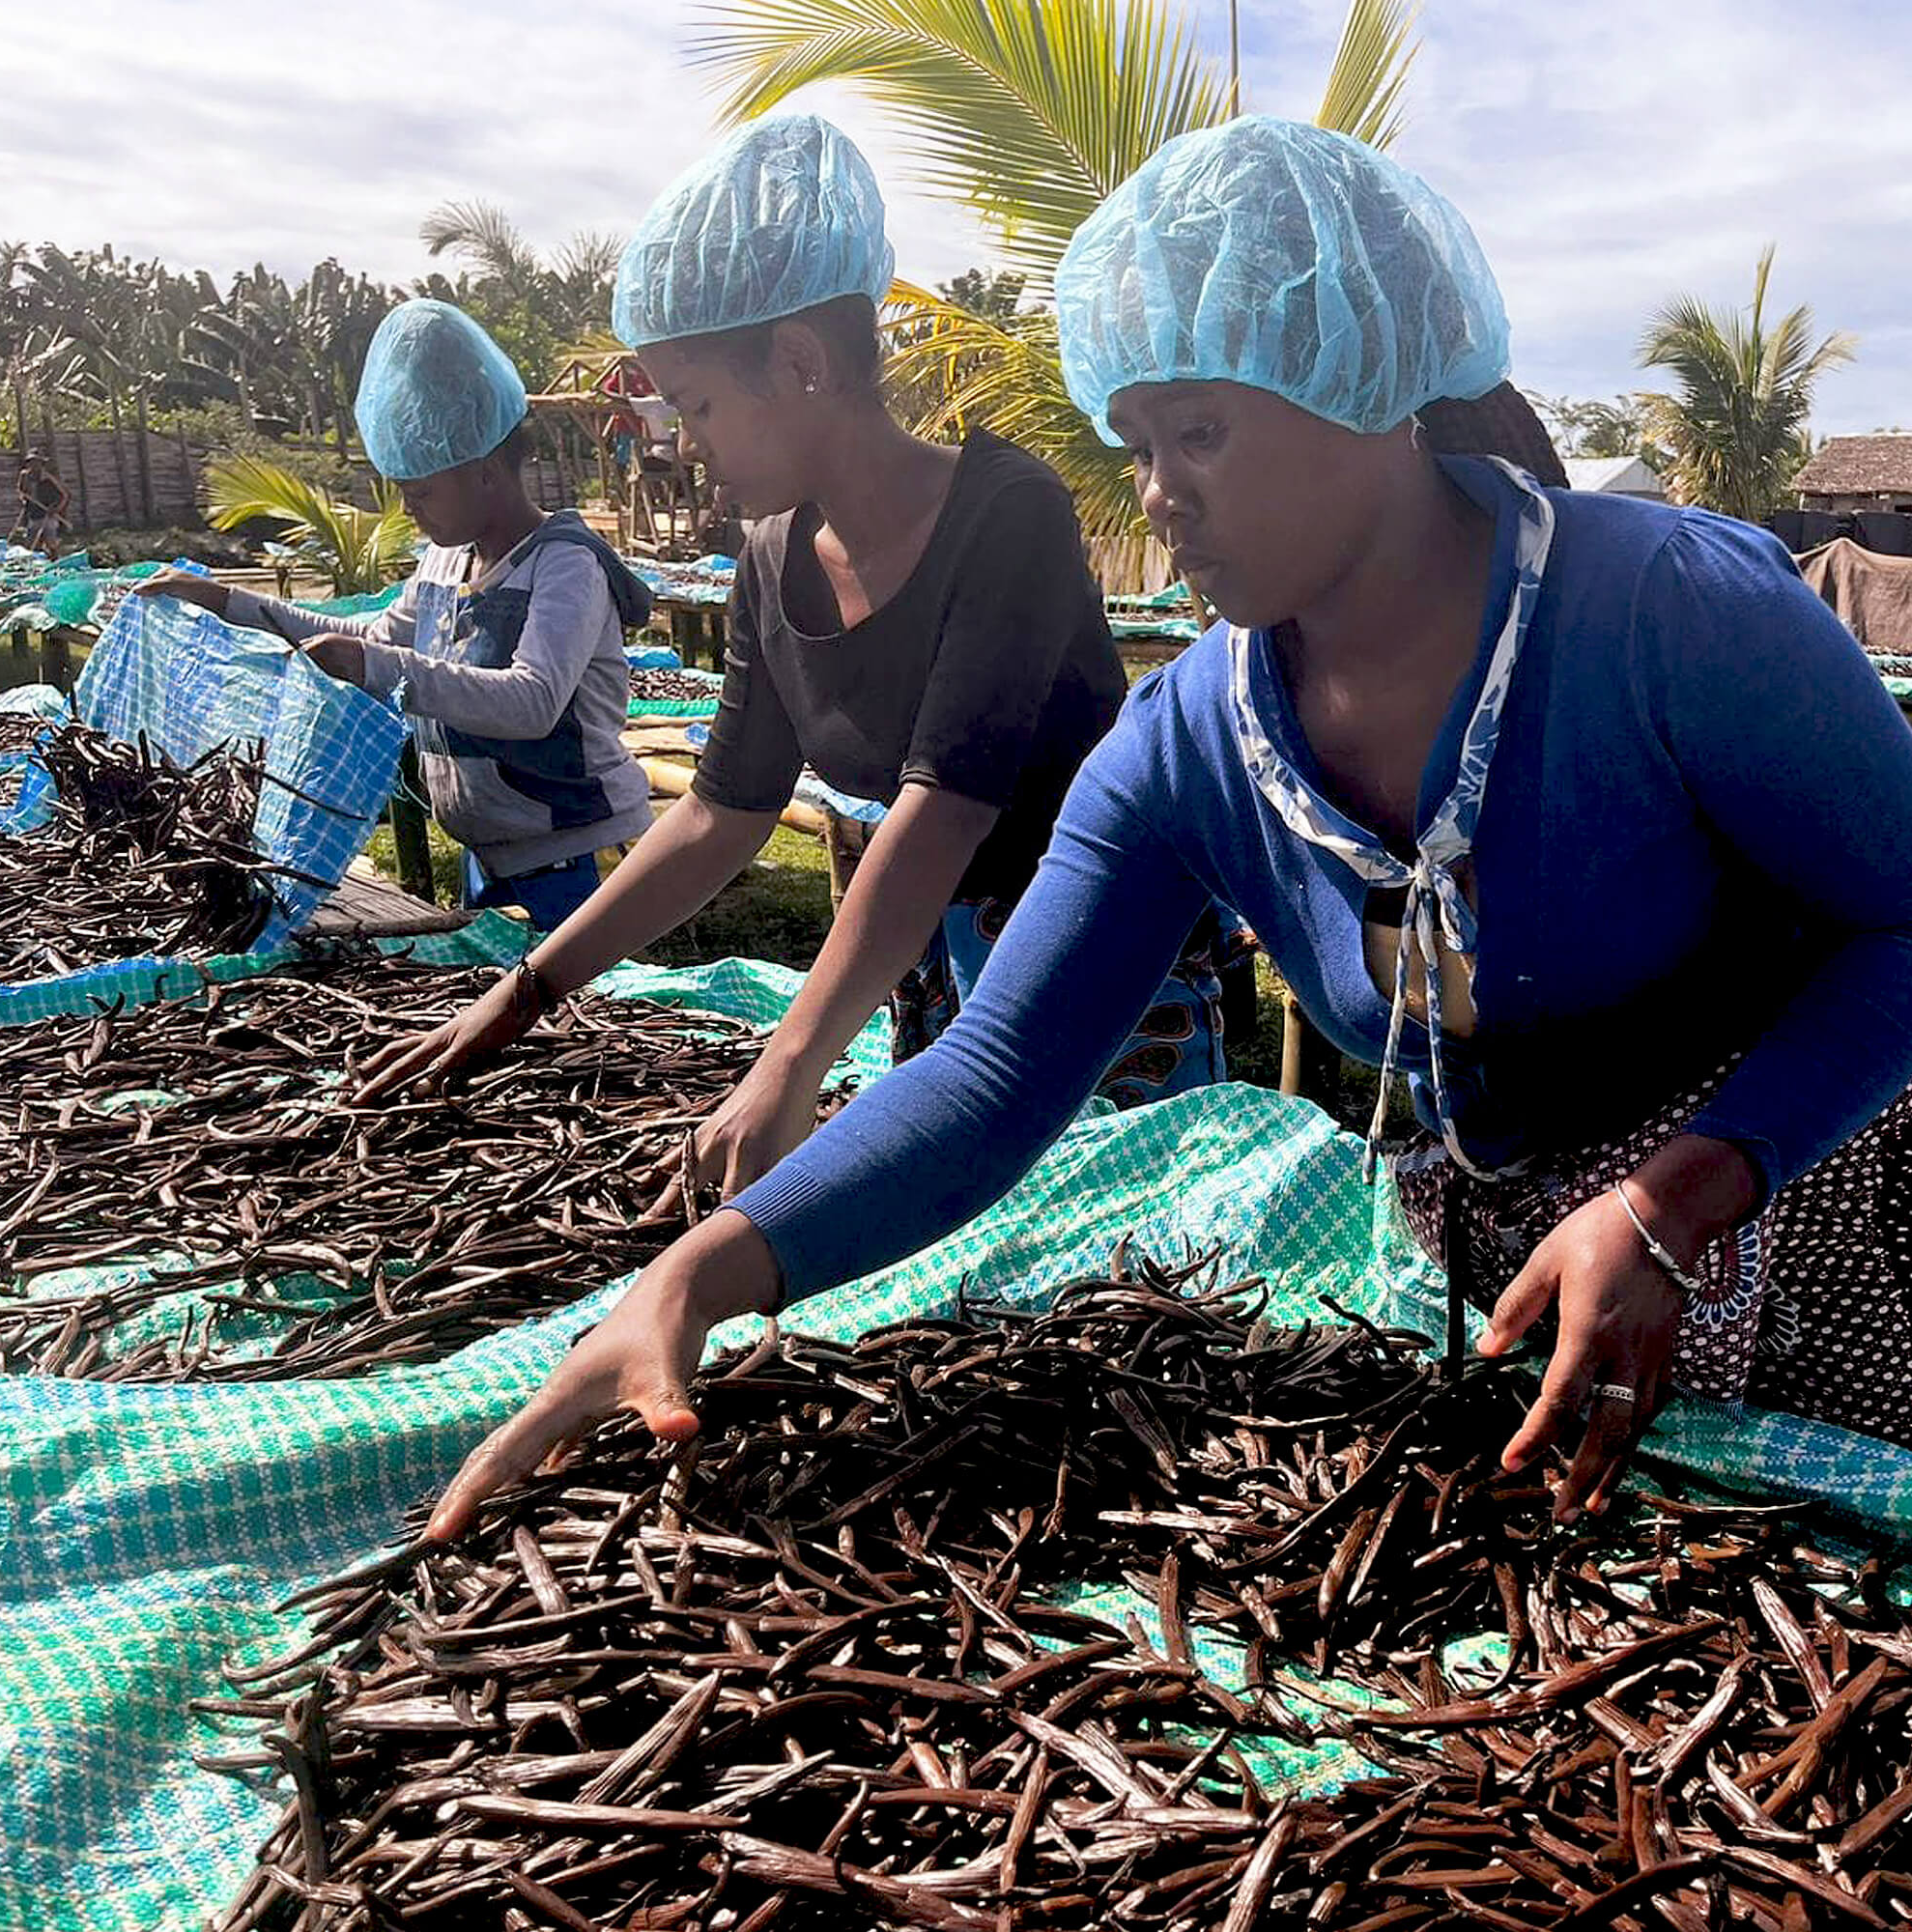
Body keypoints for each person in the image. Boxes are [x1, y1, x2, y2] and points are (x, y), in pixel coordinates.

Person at [427, 116, 1912, 1542]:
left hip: (1816, 1185)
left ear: (1368, 386)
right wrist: (700, 1275)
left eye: (1198, 431)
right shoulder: (1196, 742)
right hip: (1521, 1243)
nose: (1155, 494)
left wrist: (1684, 1193)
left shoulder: (1668, 613)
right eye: (1135, 441)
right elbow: (999, 1069)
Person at [356, 114, 1227, 1181]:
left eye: (699, 404)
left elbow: (943, 808)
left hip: (1100, 976)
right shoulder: (770, 559)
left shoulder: (1009, 514)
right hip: (926, 970)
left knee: (1119, 1255)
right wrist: (526, 990)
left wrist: (788, 1064)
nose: (687, 443)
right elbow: (721, 812)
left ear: (802, 362)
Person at [138, 299, 653, 929]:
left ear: (487, 471)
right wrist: (227, 602)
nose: (410, 509)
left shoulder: (565, 565)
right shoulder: (447, 561)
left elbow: (533, 701)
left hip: (569, 853)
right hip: (490, 850)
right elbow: (372, 637)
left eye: (423, 492)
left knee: (570, 988)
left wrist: (376, 667)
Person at [13, 450, 70, 557]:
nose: (33, 466)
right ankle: (39, 561)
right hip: (33, 514)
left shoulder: (48, 478)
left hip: (48, 514)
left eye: (36, 462)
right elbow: (20, 491)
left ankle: (54, 559)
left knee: (50, 541)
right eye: (31, 462)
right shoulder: (25, 476)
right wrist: (24, 499)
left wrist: (56, 509)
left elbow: (64, 495)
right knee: (31, 543)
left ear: (41, 464)